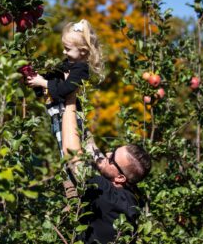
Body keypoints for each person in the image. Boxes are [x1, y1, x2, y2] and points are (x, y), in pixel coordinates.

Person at [61, 92, 152, 244]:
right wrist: (77, 105)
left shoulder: (106, 196)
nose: (107, 153)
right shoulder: (131, 194)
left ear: (120, 178)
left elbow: (72, 153)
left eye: (111, 158)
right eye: (113, 150)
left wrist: (69, 96)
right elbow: (91, 149)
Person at [27, 19, 104, 194]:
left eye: (68, 49)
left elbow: (65, 89)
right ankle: (72, 179)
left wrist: (44, 82)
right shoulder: (69, 63)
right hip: (59, 115)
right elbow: (53, 76)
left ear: (83, 51)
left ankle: (77, 183)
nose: (64, 52)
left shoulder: (81, 69)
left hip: (69, 116)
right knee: (65, 147)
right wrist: (37, 80)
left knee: (71, 148)